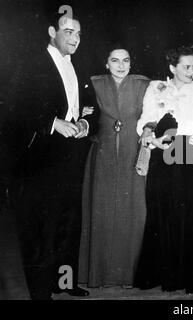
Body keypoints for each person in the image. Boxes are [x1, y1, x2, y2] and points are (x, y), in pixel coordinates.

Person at [10, 12, 97, 300]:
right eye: (69, 32)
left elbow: (90, 107)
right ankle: (41, 291)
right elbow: (15, 107)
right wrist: (52, 123)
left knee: (69, 221)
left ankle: (64, 282)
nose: (75, 38)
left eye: (78, 34)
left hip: (73, 154)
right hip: (42, 157)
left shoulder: (79, 66)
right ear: (52, 31)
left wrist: (85, 124)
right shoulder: (30, 63)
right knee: (41, 225)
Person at [134, 46, 193, 293]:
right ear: (172, 68)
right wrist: (151, 136)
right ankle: (167, 276)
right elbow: (145, 121)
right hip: (163, 155)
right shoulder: (155, 87)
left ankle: (192, 277)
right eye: (185, 66)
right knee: (164, 215)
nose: (191, 71)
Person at [78, 46, 150, 288]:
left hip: (133, 152)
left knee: (133, 213)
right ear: (106, 63)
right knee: (103, 212)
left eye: (126, 60)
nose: (121, 65)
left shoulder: (143, 85)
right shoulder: (94, 84)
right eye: (115, 60)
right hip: (104, 154)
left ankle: (128, 276)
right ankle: (99, 275)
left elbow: (154, 113)